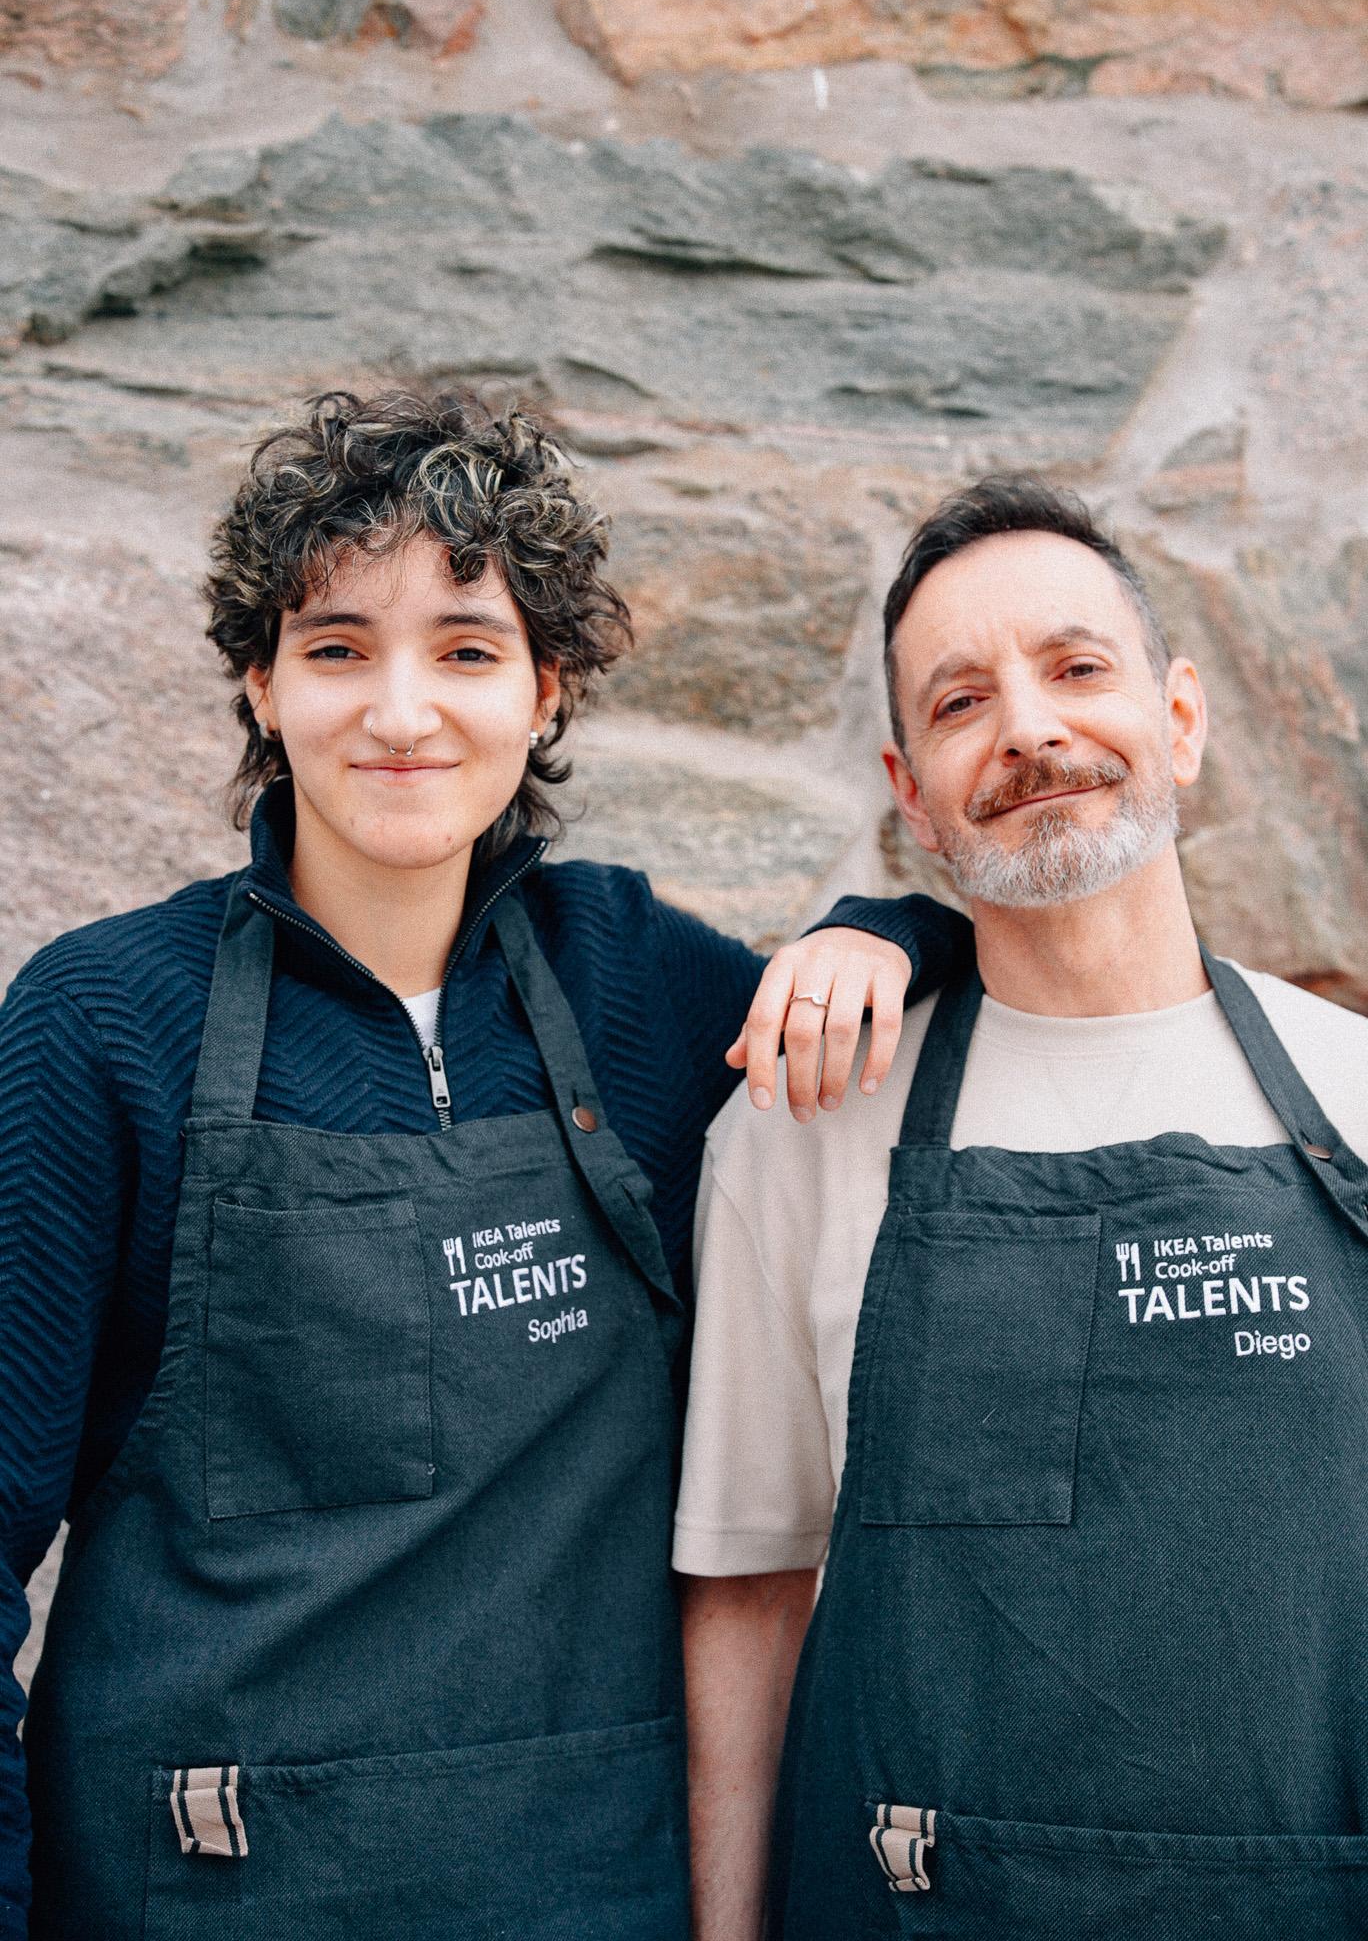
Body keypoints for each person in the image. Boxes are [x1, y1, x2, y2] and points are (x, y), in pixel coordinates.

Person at [0, 389, 969, 1940]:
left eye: (465, 650)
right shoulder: (103, 1018)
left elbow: (950, 985)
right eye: (336, 650)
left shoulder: (634, 979)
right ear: (260, 687)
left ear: (545, 690)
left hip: (585, 1886)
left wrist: (879, 932)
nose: (403, 713)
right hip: (201, 1881)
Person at [677, 475, 1368, 1940]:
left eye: (1077, 670)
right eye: (962, 702)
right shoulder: (803, 1133)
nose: (1030, 731)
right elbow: (749, 1593)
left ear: (1181, 717)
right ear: (911, 794)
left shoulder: (1355, 1091)